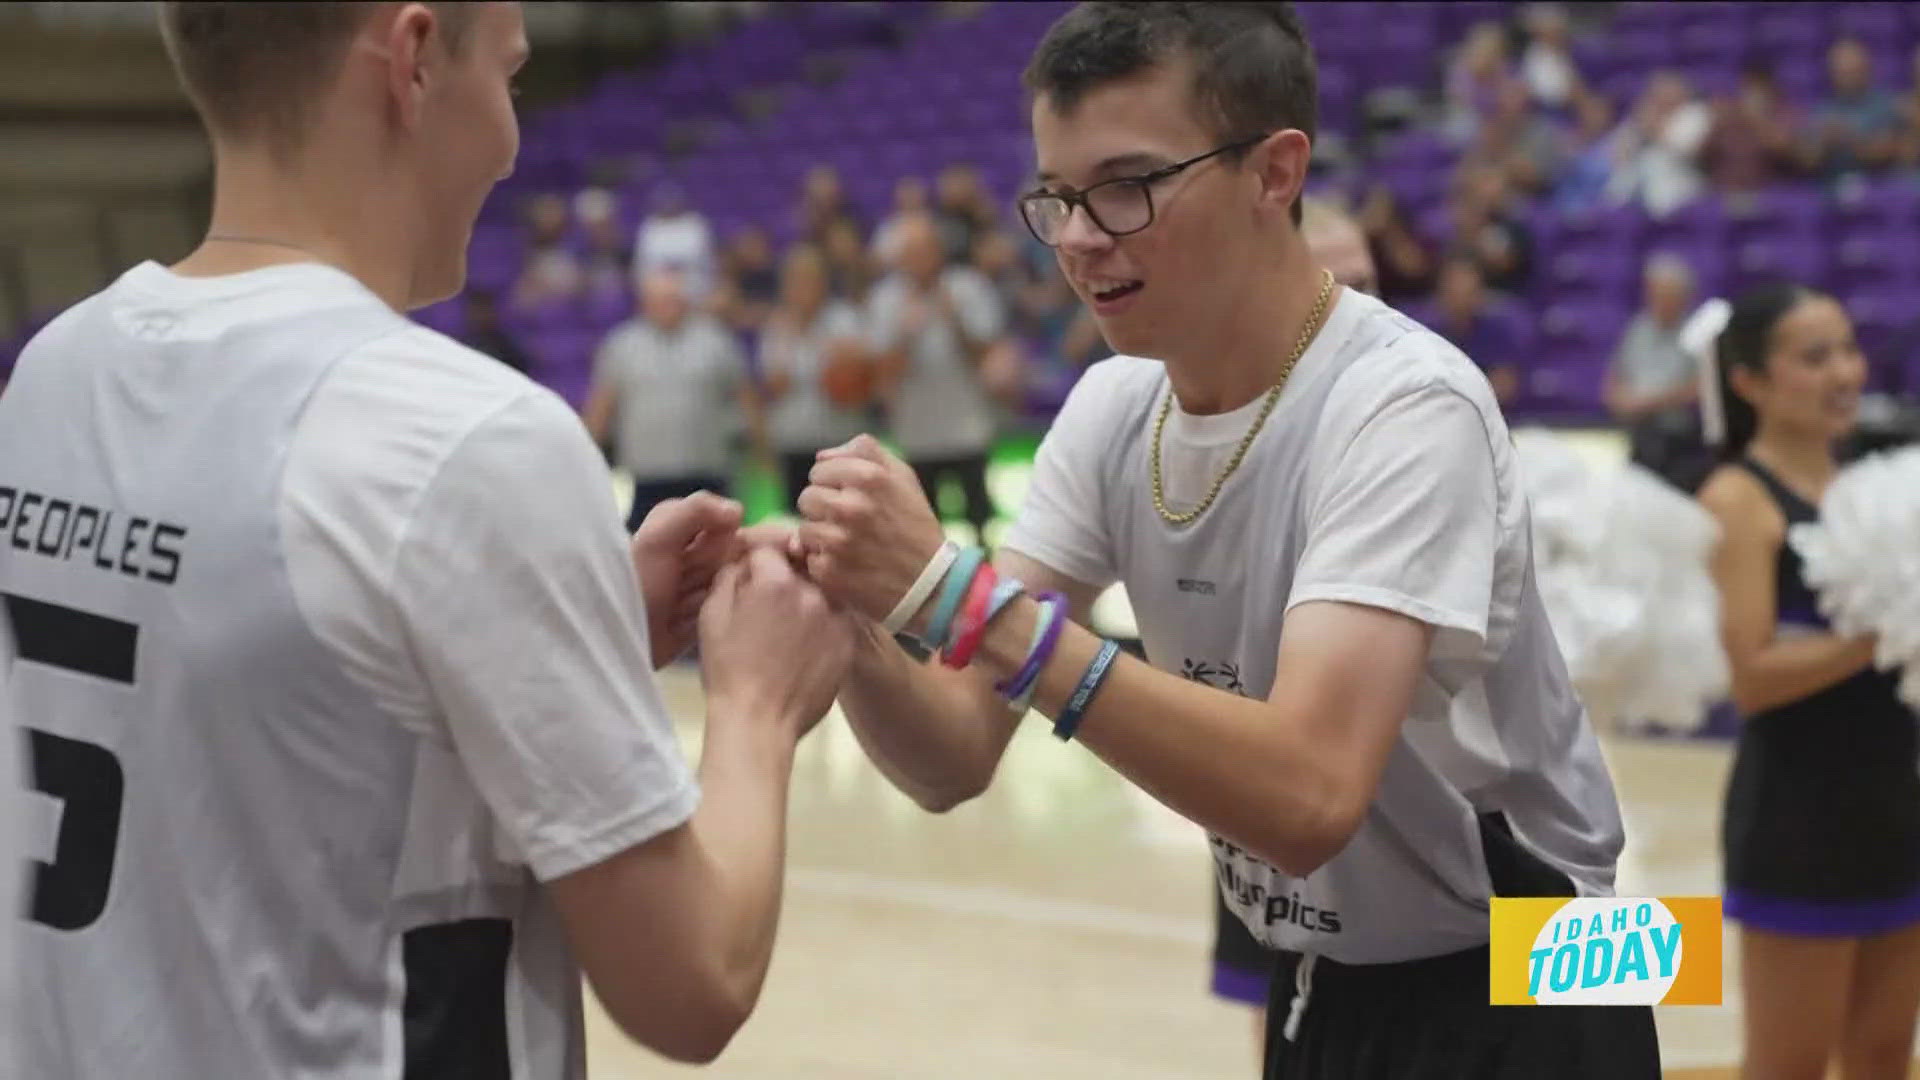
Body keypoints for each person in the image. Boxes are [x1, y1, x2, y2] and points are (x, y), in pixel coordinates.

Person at [790, 4, 1657, 1077]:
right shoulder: (1112, 409)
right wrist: (851, 615)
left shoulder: (1410, 403)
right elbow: (950, 758)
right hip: (1324, 974)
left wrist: (953, 599)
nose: (1077, 236)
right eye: (1057, 197)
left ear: (1274, 173)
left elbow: (1308, 798)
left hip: (1545, 957)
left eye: (1126, 186)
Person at [0, 4, 851, 1076]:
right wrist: (758, 704)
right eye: (508, 76)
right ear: (411, 60)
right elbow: (692, 985)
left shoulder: (54, 373)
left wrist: (567, 638)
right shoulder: (466, 439)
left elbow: (254, 745)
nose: (510, 135)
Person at [1695, 284, 1920, 1080]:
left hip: (1899, 805)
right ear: (1750, 382)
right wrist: (1885, 634)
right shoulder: (1738, 502)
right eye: (1814, 356)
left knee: (1886, 1054)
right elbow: (1750, 677)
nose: (1844, 373)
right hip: (1801, 820)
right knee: (1790, 1064)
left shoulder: (1880, 488)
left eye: (1850, 350)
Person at [1204, 193, 1379, 1049]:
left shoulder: (1431, 421)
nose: (1359, 311)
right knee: (1289, 1026)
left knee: (1644, 983)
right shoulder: (1215, 464)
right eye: (1334, 285)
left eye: (1371, 284)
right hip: (1291, 840)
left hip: (1489, 859)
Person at [867, 209, 1006, 547]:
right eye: (910, 252)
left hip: (968, 427)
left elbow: (987, 358)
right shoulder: (886, 298)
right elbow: (880, 373)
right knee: (925, 525)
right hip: (917, 433)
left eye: (925, 249)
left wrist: (955, 321)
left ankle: (985, 583)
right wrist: (906, 336)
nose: (919, 260)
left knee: (980, 520)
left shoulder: (969, 286)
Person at [583, 268, 751, 533]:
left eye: (675, 300)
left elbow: (745, 397)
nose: (669, 308)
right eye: (661, 300)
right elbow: (602, 405)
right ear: (644, 303)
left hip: (705, 473)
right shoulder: (621, 346)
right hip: (645, 478)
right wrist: (588, 455)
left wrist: (762, 455)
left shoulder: (717, 342)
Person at [743, 244, 872, 512]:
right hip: (793, 440)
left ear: (823, 282)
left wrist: (839, 366)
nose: (802, 287)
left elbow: (857, 383)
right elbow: (773, 386)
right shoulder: (777, 326)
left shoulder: (844, 319)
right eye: (796, 280)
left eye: (809, 279)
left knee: (843, 516)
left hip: (839, 440)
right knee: (798, 518)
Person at [1606, 254, 1706, 490]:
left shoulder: (1698, 332)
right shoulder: (1638, 328)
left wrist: (1650, 402)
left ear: (1685, 297)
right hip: (1638, 434)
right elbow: (1616, 376)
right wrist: (1619, 400)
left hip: (1681, 440)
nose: (1660, 301)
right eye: (1655, 294)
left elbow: (1701, 387)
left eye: (1668, 296)